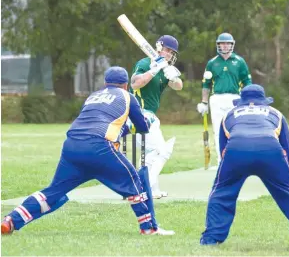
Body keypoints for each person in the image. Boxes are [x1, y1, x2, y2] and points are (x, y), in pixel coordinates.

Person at [1, 66, 174, 236]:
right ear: (126, 85)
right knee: (135, 183)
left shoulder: (93, 96)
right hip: (100, 148)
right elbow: (142, 127)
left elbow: (95, 121)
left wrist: (124, 127)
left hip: (72, 146)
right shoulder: (128, 96)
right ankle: (149, 228)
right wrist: (144, 120)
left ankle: (10, 220)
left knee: (53, 192)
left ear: (105, 83)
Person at [200, 84, 289, 250]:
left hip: (236, 150)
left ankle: (210, 239)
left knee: (221, 192)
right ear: (264, 101)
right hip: (270, 150)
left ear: (241, 101)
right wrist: (280, 172)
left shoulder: (229, 114)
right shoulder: (276, 113)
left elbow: (223, 151)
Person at [130, 35, 183, 199]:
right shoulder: (145, 63)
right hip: (138, 114)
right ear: (159, 47)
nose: (169, 54)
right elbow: (134, 84)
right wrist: (153, 70)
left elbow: (179, 87)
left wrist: (172, 76)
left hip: (150, 116)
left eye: (172, 52)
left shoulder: (164, 67)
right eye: (167, 50)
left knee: (151, 154)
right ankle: (144, 188)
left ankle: (151, 188)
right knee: (162, 151)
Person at [197, 32, 252, 164]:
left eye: (228, 43)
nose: (225, 46)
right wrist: (204, 102)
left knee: (236, 129)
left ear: (232, 45)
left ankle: (236, 158)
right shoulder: (212, 63)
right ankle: (222, 160)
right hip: (216, 99)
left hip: (235, 98)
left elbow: (247, 82)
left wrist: (249, 100)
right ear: (218, 45)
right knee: (218, 130)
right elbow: (206, 83)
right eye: (223, 43)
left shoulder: (239, 62)